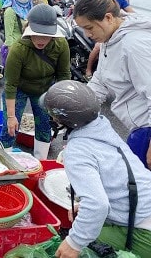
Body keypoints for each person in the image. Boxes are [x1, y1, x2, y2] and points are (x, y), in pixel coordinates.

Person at [41, 80, 151, 258]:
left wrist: (73, 243)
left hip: (144, 231)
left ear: (60, 120)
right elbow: (115, 177)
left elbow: (97, 205)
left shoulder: (77, 150)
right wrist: (86, 206)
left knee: (64, 247)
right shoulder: (102, 129)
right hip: (144, 206)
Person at [74, 0, 151, 169]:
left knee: (141, 188)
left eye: (89, 28)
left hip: (147, 129)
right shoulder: (110, 40)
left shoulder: (134, 45)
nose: (87, 34)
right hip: (138, 128)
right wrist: (76, 110)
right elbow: (100, 81)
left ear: (108, 18)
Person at [1, 4, 70, 159]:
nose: (41, 40)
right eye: (37, 35)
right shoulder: (19, 48)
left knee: (45, 126)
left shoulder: (61, 45)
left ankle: (41, 162)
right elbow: (10, 84)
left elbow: (63, 76)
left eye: (46, 36)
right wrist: (11, 117)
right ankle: (6, 161)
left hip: (45, 89)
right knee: (10, 128)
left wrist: (60, 108)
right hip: (19, 88)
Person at [0, 0, 38, 66]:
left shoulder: (30, 9)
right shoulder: (10, 11)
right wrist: (11, 52)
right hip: (15, 48)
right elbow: (8, 35)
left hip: (28, 48)